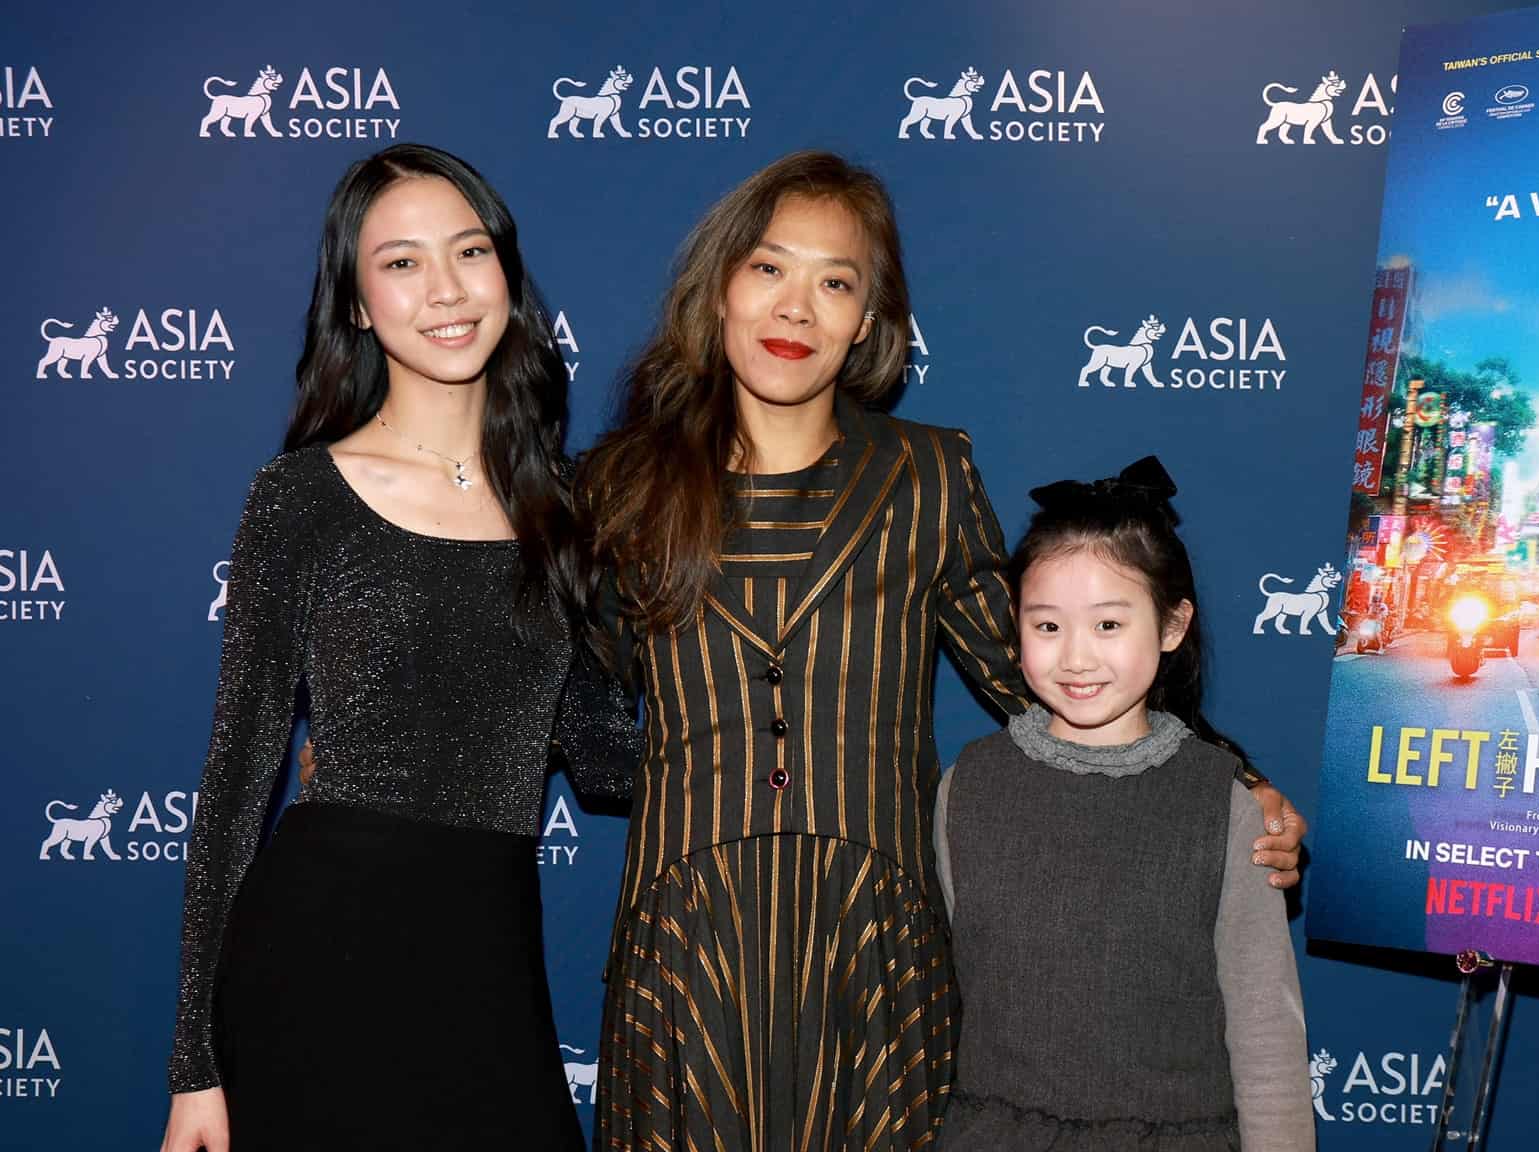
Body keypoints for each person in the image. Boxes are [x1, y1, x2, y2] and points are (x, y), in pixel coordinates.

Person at [572, 150, 1306, 1149]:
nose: (797, 308)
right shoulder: (617, 486)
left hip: (874, 941)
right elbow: (566, 689)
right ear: (717, 291)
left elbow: (1042, 674)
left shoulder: (925, 476)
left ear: (870, 322)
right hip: (690, 936)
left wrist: (1236, 781)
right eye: (768, 269)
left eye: (835, 282)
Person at [160, 144, 637, 1152]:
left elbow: (603, 766)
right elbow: (238, 781)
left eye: (468, 251)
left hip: (490, 964)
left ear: (506, 274)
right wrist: (195, 1071)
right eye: (401, 263)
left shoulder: (564, 511)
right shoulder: (299, 499)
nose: (446, 290)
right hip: (319, 958)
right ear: (356, 305)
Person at [932, 456, 1314, 1150]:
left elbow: (1266, 1037)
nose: (1076, 657)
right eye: (1047, 627)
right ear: (1015, 627)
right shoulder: (969, 787)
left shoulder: (1227, 807)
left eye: (1109, 625)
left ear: (1171, 627)